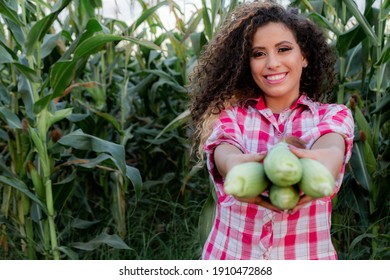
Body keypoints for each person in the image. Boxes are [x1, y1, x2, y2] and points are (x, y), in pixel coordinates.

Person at [187, 0, 354, 260]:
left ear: (305, 56)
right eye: (258, 54)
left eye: (283, 49)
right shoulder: (231, 116)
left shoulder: (332, 115)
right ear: (247, 63)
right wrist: (250, 165)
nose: (272, 63)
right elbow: (227, 158)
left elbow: (330, 155)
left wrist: (299, 162)